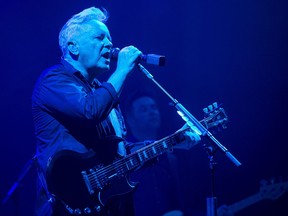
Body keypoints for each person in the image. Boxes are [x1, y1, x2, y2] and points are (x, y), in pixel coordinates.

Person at [32, 6, 201, 216]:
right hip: (66, 207)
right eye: (100, 37)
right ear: (73, 47)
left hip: (109, 206)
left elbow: (121, 153)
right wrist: (122, 70)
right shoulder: (54, 81)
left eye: (110, 38)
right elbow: (89, 112)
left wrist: (173, 142)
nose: (110, 44)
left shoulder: (102, 91)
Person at [123, 90, 199, 216]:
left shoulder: (171, 157)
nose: (152, 112)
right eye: (144, 109)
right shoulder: (123, 156)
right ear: (130, 119)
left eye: (154, 107)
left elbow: (182, 205)